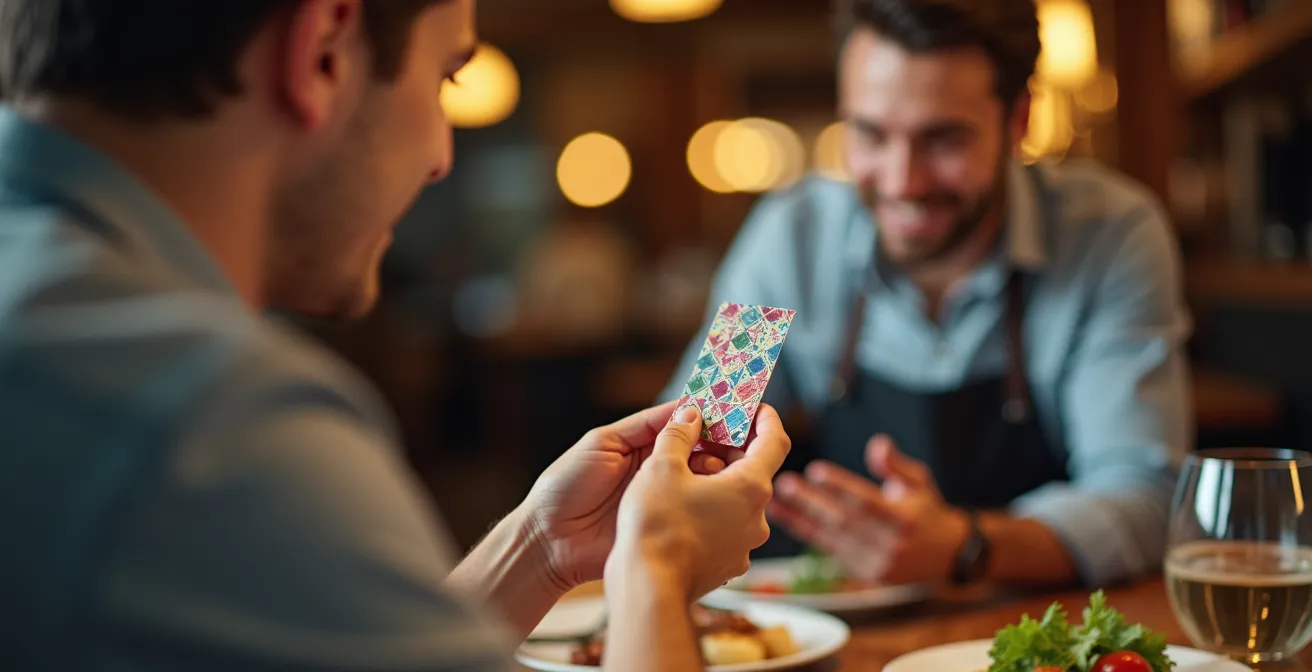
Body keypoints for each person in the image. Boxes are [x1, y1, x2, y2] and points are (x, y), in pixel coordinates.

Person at [0, 1, 790, 671]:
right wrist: (657, 568)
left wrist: (542, 549)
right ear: (323, 55)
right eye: (446, 76)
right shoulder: (211, 424)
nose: (442, 158)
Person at [662, 0, 1192, 590]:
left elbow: (1145, 499)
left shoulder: (1108, 234)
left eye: (943, 139)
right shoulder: (793, 238)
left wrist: (967, 548)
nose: (901, 181)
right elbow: (698, 437)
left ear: (1019, 121)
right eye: (869, 133)